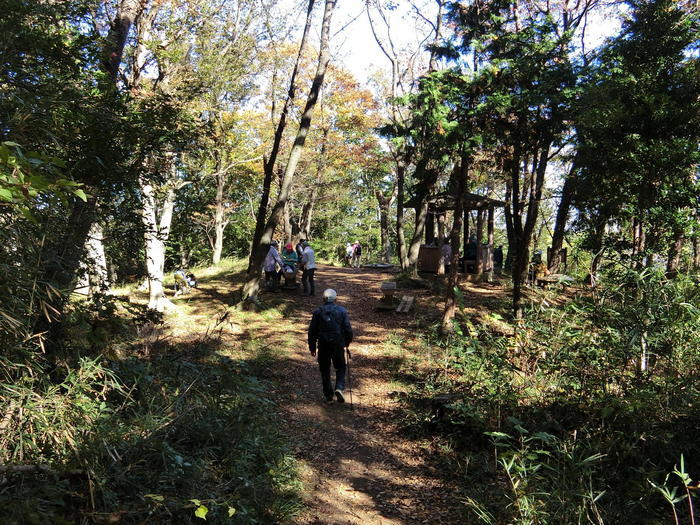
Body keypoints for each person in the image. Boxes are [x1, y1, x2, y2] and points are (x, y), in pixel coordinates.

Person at [308, 289, 353, 403]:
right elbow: (348, 329)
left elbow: (312, 331)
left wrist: (312, 347)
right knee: (341, 366)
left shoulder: (318, 312)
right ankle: (339, 387)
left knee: (324, 369)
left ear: (323, 299)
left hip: (323, 344)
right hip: (338, 343)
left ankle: (328, 396)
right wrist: (347, 343)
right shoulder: (342, 311)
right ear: (336, 299)